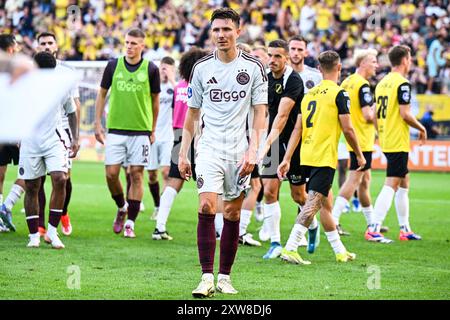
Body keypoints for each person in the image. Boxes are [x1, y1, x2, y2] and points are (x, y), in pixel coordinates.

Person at [178, 8, 267, 297]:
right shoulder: (201, 68)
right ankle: (205, 277)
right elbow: (192, 115)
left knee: (231, 212)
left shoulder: (253, 67)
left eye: (226, 29)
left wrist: (254, 150)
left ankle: (225, 277)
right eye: (216, 30)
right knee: (206, 206)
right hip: (209, 148)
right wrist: (183, 153)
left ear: (238, 31)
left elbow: (260, 113)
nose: (220, 35)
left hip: (239, 150)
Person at [278, 50, 365, 264]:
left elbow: (297, 129)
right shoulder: (339, 93)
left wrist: (288, 158)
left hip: (306, 155)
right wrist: (359, 155)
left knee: (326, 204)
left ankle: (339, 251)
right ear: (339, 68)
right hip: (323, 157)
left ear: (319, 69)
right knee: (313, 204)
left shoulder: (309, 95)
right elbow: (348, 129)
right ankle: (290, 247)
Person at [95, 28, 160, 238]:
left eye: (134, 43)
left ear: (143, 45)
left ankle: (130, 222)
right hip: (115, 129)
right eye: (127, 42)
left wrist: (153, 128)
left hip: (140, 131)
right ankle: (122, 206)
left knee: (136, 175)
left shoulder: (151, 69)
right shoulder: (113, 65)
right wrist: (97, 123)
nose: (130, 46)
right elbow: (102, 94)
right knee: (111, 174)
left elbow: (155, 101)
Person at [259, 39, 319, 259]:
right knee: (269, 191)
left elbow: (283, 116)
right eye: (270, 55)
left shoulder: (293, 80)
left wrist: (264, 144)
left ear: (286, 58)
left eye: (277, 56)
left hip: (294, 142)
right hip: (272, 140)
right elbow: (261, 112)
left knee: (298, 196)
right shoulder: (264, 79)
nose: (272, 60)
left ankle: (312, 226)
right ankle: (275, 242)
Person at [369, 45, 427, 241]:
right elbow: (405, 114)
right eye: (409, 59)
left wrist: (381, 132)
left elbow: (375, 114)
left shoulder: (382, 83)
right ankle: (374, 228)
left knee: (404, 181)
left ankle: (405, 229)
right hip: (397, 140)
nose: (410, 62)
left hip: (387, 137)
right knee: (392, 182)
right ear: (404, 61)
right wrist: (421, 128)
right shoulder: (402, 84)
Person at [330, 48, 389, 242]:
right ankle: (334, 220)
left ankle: (373, 223)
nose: (376, 65)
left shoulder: (346, 81)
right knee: (354, 180)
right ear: (362, 63)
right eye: (373, 61)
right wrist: (378, 114)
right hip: (362, 139)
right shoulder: (363, 86)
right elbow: (367, 115)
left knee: (365, 181)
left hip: (350, 137)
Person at [21, 51, 78, 248]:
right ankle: (34, 235)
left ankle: (52, 233)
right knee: (32, 186)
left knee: (60, 179)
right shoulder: (24, 85)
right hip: (30, 141)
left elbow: (72, 112)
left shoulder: (59, 87)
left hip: (54, 138)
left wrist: (75, 138)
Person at [152, 47, 210, 241]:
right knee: (211, 183)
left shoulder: (179, 87)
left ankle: (159, 226)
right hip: (200, 136)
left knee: (173, 183)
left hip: (178, 136)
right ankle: (218, 230)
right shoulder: (204, 86)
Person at [34, 32, 81, 237]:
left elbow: (75, 104)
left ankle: (63, 212)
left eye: (49, 42)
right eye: (42, 43)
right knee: (39, 179)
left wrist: (75, 135)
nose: (46, 46)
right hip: (36, 131)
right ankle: (42, 224)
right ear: (37, 46)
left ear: (56, 45)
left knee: (63, 178)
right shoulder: (30, 72)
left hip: (61, 129)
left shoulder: (67, 71)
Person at [0, 34, 25, 233]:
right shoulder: (19, 70)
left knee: (0, 173)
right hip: (15, 129)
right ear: (10, 49)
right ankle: (6, 207)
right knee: (31, 173)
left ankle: (3, 210)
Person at [147, 56, 176, 221]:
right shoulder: (153, 86)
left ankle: (162, 210)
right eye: (162, 68)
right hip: (152, 135)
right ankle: (157, 205)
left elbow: (183, 99)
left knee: (165, 172)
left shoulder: (176, 87)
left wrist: (172, 79)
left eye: (167, 68)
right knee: (151, 175)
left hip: (168, 136)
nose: (163, 71)